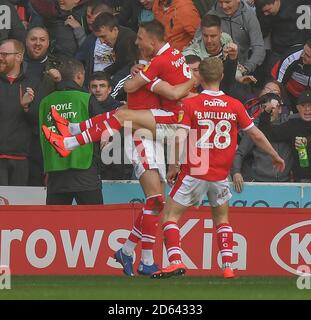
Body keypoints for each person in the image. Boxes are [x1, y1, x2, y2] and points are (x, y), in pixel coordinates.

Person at [42, 20, 195, 275]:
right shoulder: (144, 68)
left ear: (150, 43)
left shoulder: (152, 65)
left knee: (155, 203)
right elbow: (128, 91)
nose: (136, 42)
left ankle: (129, 253)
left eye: (140, 39)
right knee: (155, 199)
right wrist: (179, 85)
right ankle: (70, 137)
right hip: (144, 137)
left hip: (156, 131)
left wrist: (169, 83)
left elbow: (142, 96)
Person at [151, 57, 285, 279]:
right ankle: (228, 266)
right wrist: (275, 155)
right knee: (221, 219)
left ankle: (175, 261)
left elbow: (179, 138)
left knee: (169, 217)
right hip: (220, 174)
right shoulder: (234, 105)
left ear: (199, 78)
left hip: (194, 171)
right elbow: (255, 134)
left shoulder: (191, 104)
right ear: (222, 76)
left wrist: (174, 165)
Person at [40, 59, 104, 204]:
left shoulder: (45, 102)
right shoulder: (86, 99)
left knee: (55, 225)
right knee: (95, 222)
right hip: (85, 170)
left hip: (55, 171)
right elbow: (102, 130)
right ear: (80, 76)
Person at [231, 80, 293, 192]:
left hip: (285, 184)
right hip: (258, 182)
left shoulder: (289, 124)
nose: (268, 111)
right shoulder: (254, 127)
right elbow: (240, 152)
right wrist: (236, 172)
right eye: (265, 108)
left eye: (272, 108)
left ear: (280, 108)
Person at [0, 39, 37, 186]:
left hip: (22, 158)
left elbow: (38, 122)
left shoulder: (33, 83)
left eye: (4, 54)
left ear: (19, 57)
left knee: (17, 207)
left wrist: (27, 107)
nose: (0, 57)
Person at [259, 89, 311, 182]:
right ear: (298, 108)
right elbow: (267, 133)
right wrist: (267, 111)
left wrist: (308, 141)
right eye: (303, 106)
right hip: (302, 180)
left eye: (310, 105)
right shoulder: (293, 124)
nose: (307, 109)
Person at [208, 0, 265, 76]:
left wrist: (246, 68)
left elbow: (259, 47)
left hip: (240, 70)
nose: (224, 6)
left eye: (227, 2)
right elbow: (196, 46)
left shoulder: (249, 16)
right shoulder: (211, 16)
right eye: (220, 2)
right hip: (214, 72)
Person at [271, 38, 311, 110]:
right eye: (303, 51)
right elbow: (277, 84)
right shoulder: (293, 56)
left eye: (308, 56)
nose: (302, 55)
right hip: (288, 90)